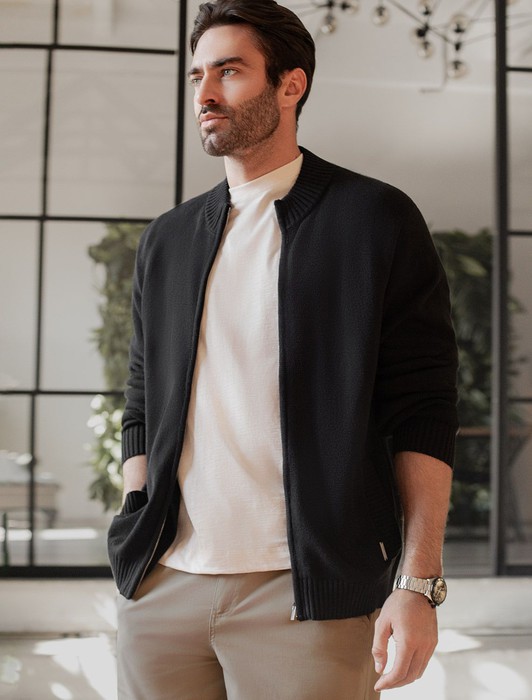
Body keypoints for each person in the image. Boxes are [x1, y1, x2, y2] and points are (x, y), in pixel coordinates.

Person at [108, 1, 459, 698]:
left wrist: (418, 582)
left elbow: (422, 410)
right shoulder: (167, 240)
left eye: (230, 72)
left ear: (290, 85)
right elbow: (141, 400)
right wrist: (136, 515)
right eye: (198, 75)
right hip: (163, 587)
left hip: (307, 594)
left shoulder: (374, 219)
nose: (206, 93)